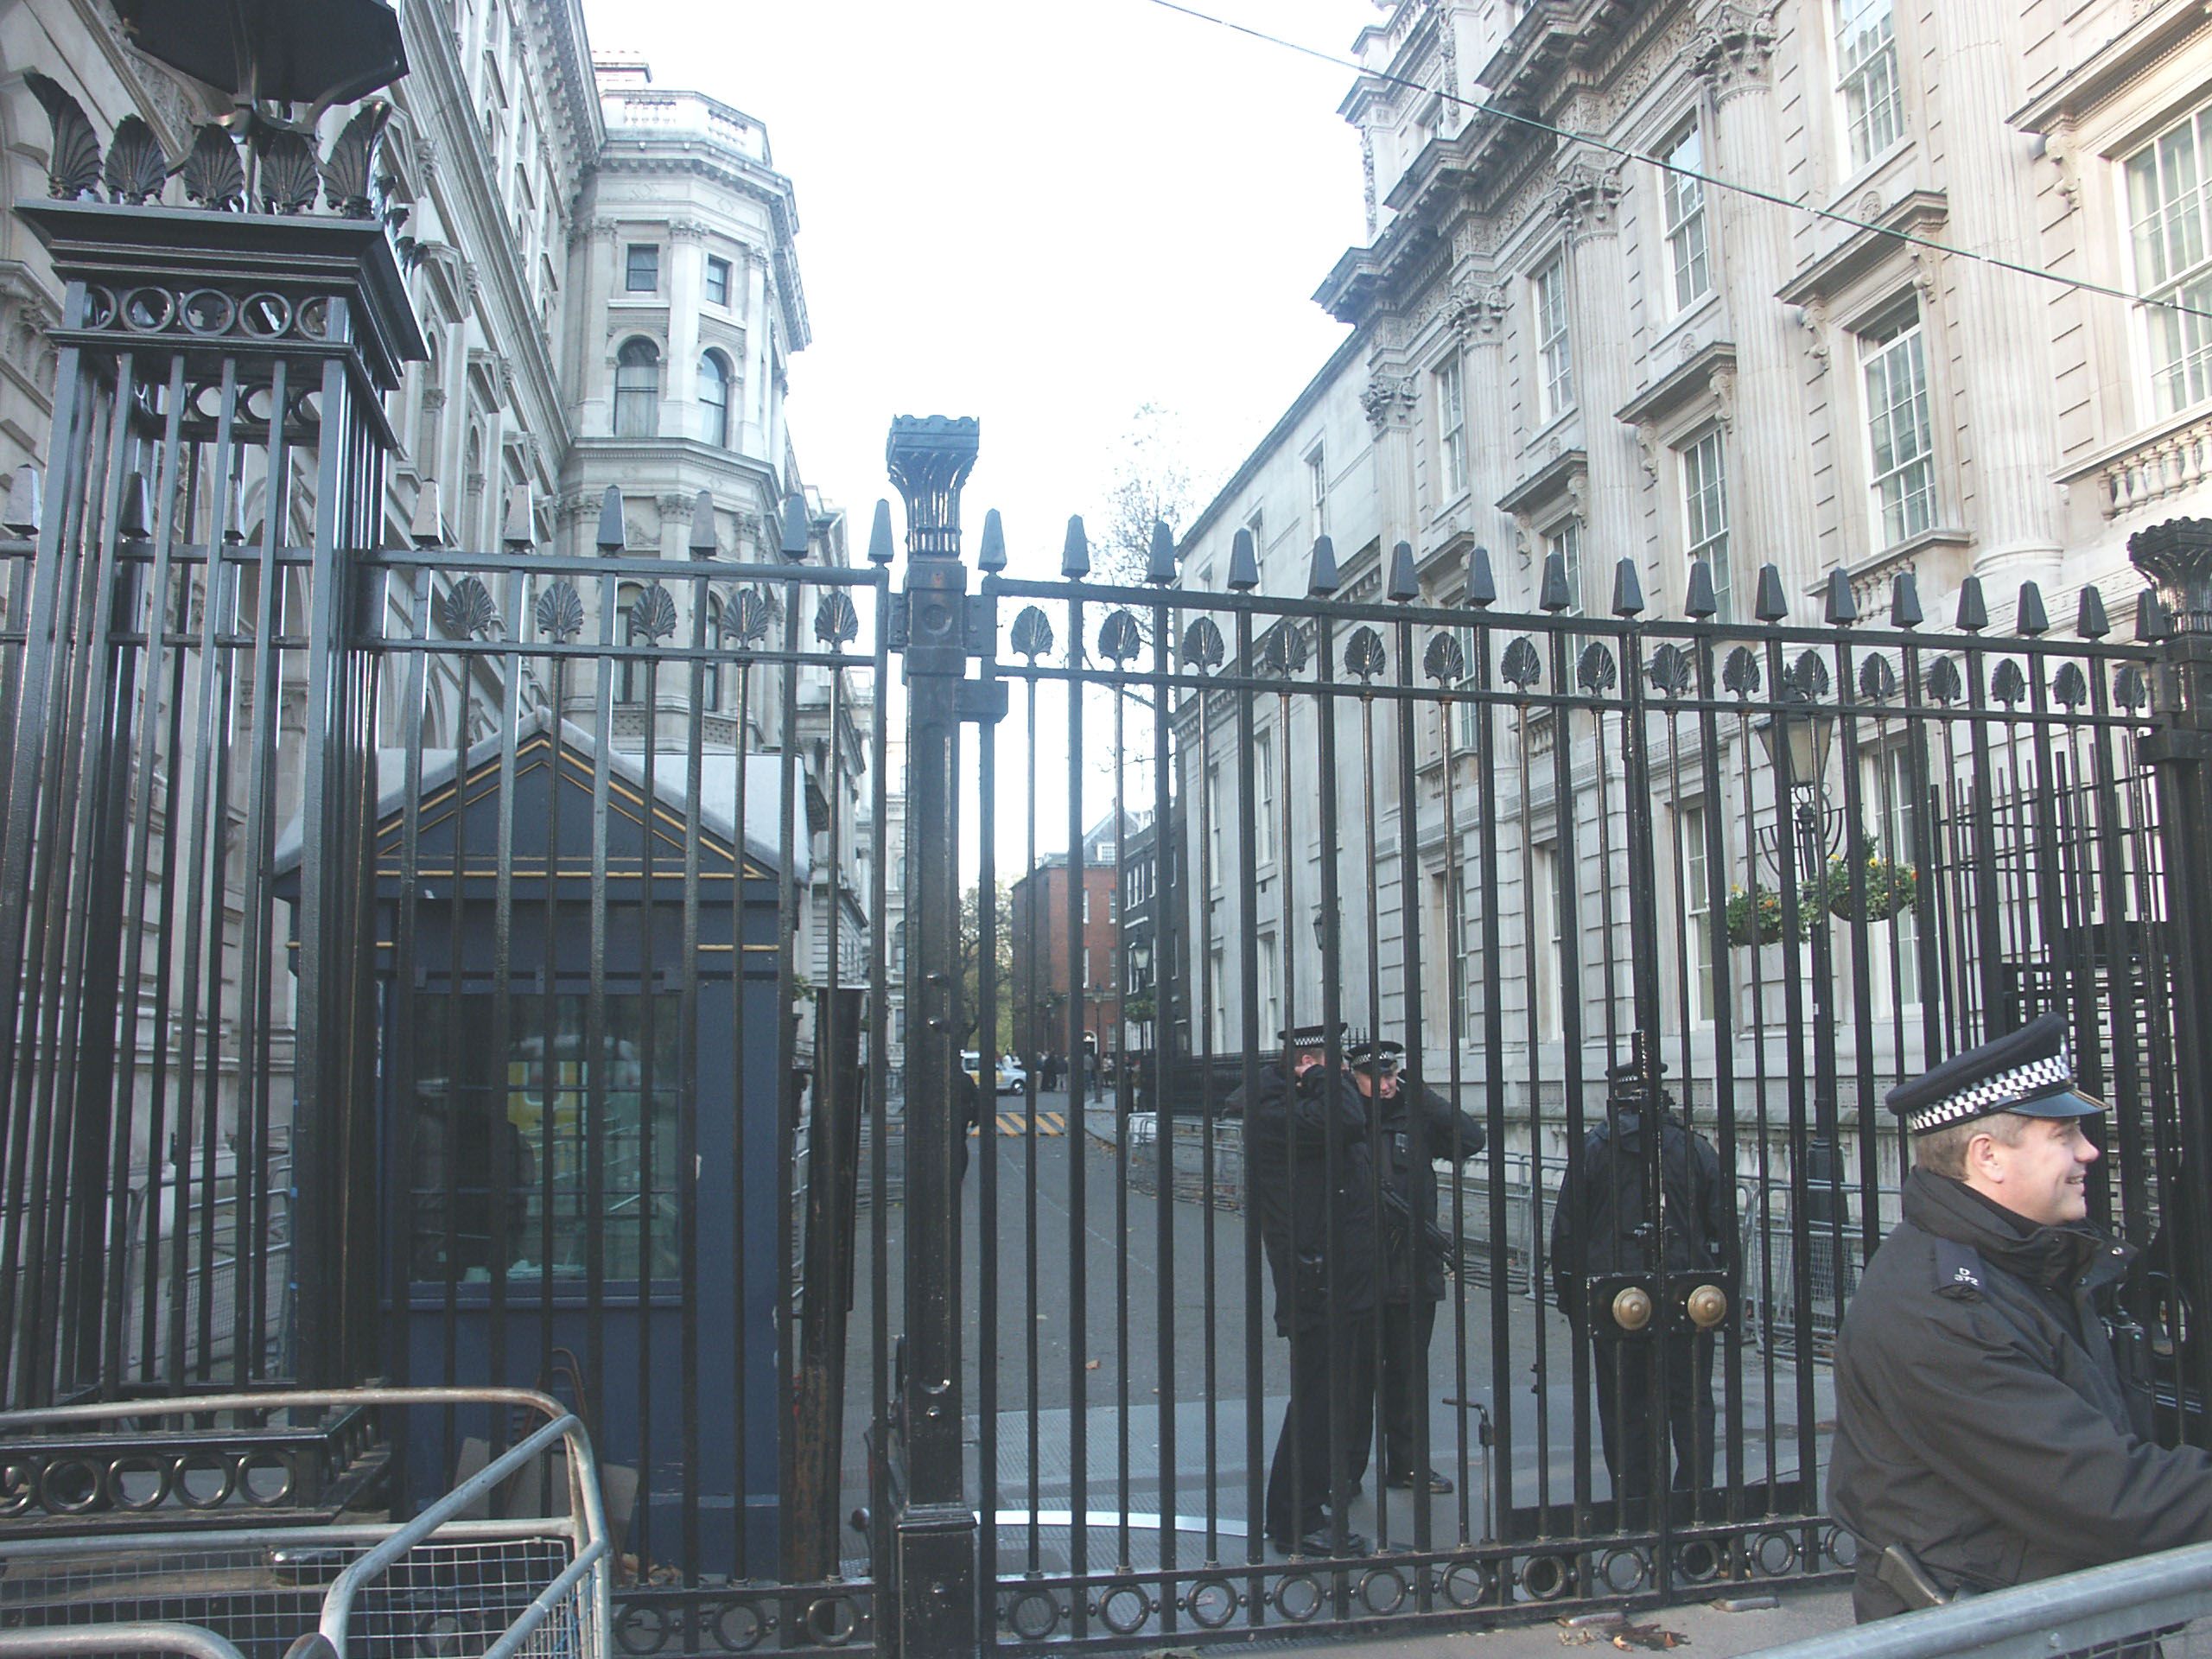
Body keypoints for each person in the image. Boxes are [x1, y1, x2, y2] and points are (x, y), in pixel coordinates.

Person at [1828, 1011, 2212, 1622]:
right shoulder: (1938, 1311)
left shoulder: (2027, 1264)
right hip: (1991, 1635)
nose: (2088, 1151)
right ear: (1989, 1157)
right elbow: (2102, 1493)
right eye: (2064, 1135)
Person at [1549, 1039, 1730, 1525]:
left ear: (1617, 1097)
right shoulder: (1692, 1148)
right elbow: (1722, 1224)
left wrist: (1572, 1301)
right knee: (1690, 1403)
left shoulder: (1594, 1150)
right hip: (1686, 1294)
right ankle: (1693, 1503)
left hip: (1615, 1298)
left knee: (1625, 1406)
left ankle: (1634, 1506)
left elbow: (1566, 1231)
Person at [1243, 1023, 1379, 1556]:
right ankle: (1296, 1519)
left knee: (1328, 1399)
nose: (1343, 1072)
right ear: (1305, 1063)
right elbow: (1347, 1118)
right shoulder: (1275, 1111)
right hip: (1315, 1279)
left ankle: (1299, 1511)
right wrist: (1325, 1077)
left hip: (1343, 1275)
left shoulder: (1304, 1105)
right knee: (1317, 1401)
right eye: (1332, 1062)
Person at [1353, 1034, 1485, 1497]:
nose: (1385, 1085)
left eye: (1390, 1075)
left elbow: (1471, 1140)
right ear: (1355, 1076)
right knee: (1355, 1378)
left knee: (1408, 1374)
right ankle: (1345, 1472)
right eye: (1373, 1076)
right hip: (1361, 1268)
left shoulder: (1417, 1116)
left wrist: (1423, 1095)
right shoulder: (1345, 1117)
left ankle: (1408, 1465)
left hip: (1412, 1266)